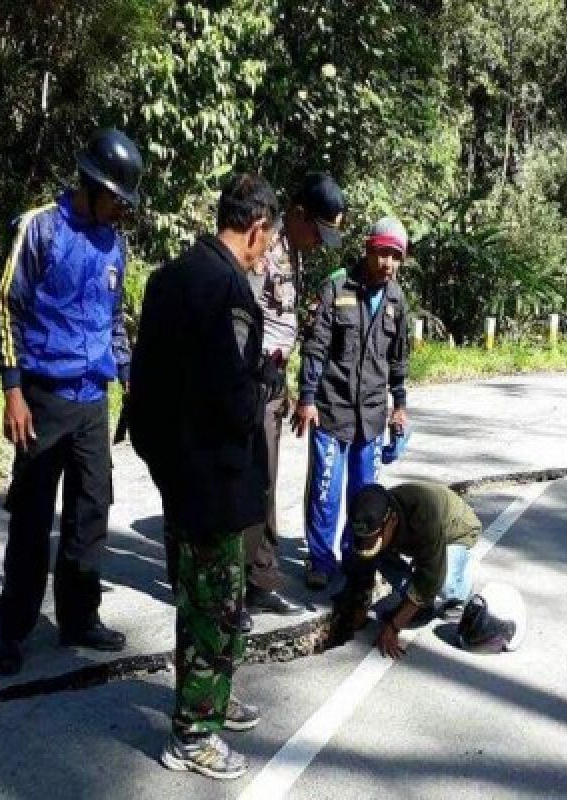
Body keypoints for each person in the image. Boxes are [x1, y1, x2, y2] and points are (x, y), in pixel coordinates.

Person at [128, 173, 283, 780]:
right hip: (214, 479)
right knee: (212, 605)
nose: (266, 251)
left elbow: (148, 385)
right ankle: (193, 734)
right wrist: (263, 382)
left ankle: (213, 698)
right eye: (267, 241)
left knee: (209, 598)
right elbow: (230, 396)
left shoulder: (167, 278)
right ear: (258, 227)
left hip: (179, 471)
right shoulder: (229, 290)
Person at [0, 128, 143, 676]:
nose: (122, 211)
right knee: (31, 518)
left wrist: (128, 380)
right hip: (42, 398)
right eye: (118, 200)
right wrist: (13, 391)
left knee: (90, 512)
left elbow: (114, 322)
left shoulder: (113, 244)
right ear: (94, 185)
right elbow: (6, 306)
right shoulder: (39, 229)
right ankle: (14, 630)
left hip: (91, 400)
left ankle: (80, 618)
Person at [239, 172, 347, 630]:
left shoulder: (295, 254)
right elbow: (243, 317)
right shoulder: (265, 248)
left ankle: (261, 581)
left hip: (273, 383)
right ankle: (234, 591)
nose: (320, 244)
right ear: (299, 215)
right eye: (317, 231)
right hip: (248, 382)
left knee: (265, 484)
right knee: (246, 487)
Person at [291, 217, 411, 589]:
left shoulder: (396, 299)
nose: (387, 263)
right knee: (326, 491)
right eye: (382, 253)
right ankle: (320, 560)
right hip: (331, 409)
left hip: (373, 416)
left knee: (366, 497)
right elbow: (315, 347)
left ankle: (355, 558)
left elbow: (398, 359)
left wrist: (400, 405)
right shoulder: (337, 286)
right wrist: (307, 398)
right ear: (368, 249)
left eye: (395, 256)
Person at [331, 482, 483, 659]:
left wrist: (394, 626)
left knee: (446, 586)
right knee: (378, 554)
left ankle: (461, 576)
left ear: (392, 521)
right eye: (364, 539)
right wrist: (359, 603)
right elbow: (363, 561)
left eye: (373, 539)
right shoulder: (367, 518)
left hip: (456, 529)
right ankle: (421, 607)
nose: (367, 544)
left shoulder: (424, 516)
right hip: (416, 542)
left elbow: (430, 578)